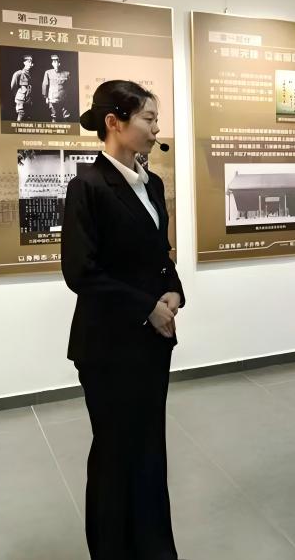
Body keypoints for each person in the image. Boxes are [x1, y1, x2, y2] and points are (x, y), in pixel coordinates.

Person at [61, 80, 184, 560]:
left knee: (150, 449)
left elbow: (160, 254)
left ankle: (153, 547)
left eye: (156, 120)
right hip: (108, 347)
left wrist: (173, 290)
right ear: (114, 122)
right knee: (115, 453)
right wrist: (146, 307)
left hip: (152, 343)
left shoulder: (152, 183)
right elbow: (81, 272)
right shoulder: (87, 187)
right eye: (148, 119)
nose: (155, 130)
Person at [43, 54, 72, 121]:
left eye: (57, 62)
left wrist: (69, 97)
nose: (55, 64)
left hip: (63, 98)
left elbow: (70, 86)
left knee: (66, 116)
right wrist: (46, 97)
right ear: (52, 63)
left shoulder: (67, 73)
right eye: (53, 62)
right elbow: (45, 85)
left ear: (60, 63)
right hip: (52, 98)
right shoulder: (48, 72)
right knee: (54, 115)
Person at [10, 54, 34, 121]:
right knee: (21, 114)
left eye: (31, 62)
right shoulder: (18, 73)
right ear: (24, 63)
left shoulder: (31, 74)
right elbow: (13, 87)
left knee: (28, 116)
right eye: (28, 62)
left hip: (28, 99)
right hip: (20, 98)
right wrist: (18, 95)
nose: (30, 64)